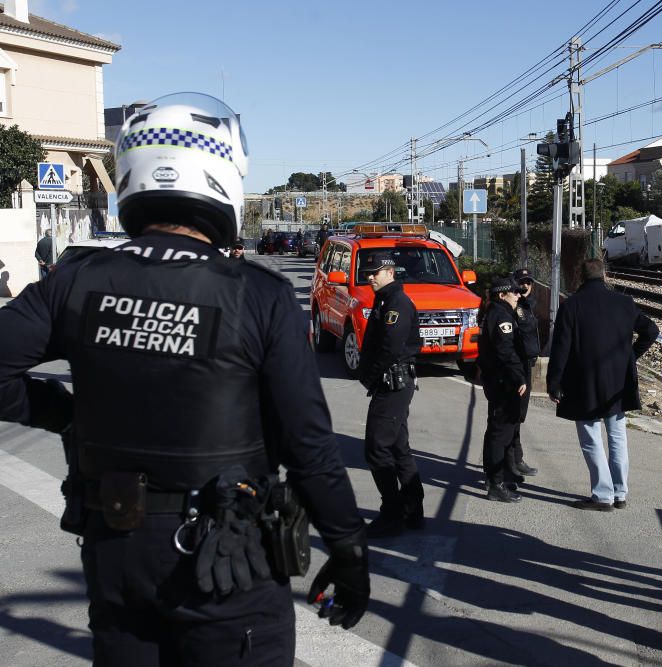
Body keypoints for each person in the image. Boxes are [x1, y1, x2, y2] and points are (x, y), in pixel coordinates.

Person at [0, 92, 369, 665]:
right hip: (226, 560)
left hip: (117, 550)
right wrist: (347, 546)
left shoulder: (79, 279)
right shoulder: (258, 293)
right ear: (221, 171)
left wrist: (60, 411)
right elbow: (308, 445)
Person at [547, 259, 658, 511]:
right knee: (618, 437)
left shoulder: (572, 305)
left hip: (582, 383)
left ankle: (603, 495)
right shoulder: (624, 302)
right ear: (605, 275)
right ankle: (620, 493)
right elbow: (651, 331)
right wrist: (631, 356)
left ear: (580, 277)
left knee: (591, 439)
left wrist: (554, 382)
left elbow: (561, 347)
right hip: (617, 381)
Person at [358, 250, 424, 538]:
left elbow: (391, 348)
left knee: (376, 447)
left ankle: (392, 511)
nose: (370, 277)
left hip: (393, 383)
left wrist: (369, 376)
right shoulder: (384, 299)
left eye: (375, 272)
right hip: (390, 382)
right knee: (398, 447)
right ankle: (412, 507)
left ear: (390, 271)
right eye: (368, 273)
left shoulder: (397, 302)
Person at [477, 275, 530, 502]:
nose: (518, 295)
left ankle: (494, 478)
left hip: (498, 380)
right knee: (501, 433)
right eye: (514, 292)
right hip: (504, 382)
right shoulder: (500, 316)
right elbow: (505, 351)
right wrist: (519, 377)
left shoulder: (498, 312)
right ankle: (496, 483)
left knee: (498, 431)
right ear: (502, 295)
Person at [511, 267, 540, 477]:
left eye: (528, 282)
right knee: (513, 415)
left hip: (527, 364)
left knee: (519, 415)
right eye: (521, 282)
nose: (525, 286)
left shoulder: (529, 305)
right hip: (517, 366)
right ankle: (513, 459)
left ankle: (515, 457)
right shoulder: (513, 306)